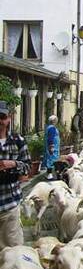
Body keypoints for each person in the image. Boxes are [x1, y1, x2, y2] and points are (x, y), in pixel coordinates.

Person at [0, 100, 31, 248]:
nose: (0, 121)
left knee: (13, 250)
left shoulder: (18, 140)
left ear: (8, 118)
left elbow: (27, 168)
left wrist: (12, 164)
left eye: (2, 117)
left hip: (9, 205)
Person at [44, 115, 60, 180]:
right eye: (56, 120)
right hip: (53, 147)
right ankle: (50, 174)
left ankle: (49, 174)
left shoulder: (49, 127)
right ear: (54, 121)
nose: (56, 121)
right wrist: (51, 146)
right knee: (52, 160)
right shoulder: (52, 128)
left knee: (50, 159)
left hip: (53, 146)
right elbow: (51, 138)